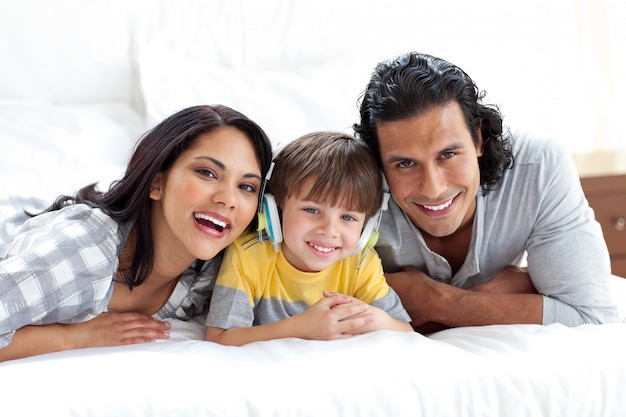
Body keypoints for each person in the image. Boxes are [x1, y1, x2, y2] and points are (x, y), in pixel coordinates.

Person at [353, 51, 618, 333]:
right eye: (405, 163)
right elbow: (316, 303)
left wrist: (436, 302)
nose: (433, 189)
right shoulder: (350, 185)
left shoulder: (537, 166)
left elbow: (593, 318)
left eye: (448, 154)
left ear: (478, 138)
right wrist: (504, 292)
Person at [0, 104, 273, 361]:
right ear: (157, 181)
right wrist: (72, 337)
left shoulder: (214, 272)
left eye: (247, 187)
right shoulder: (83, 254)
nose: (229, 199)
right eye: (207, 173)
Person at [205, 131, 412, 346]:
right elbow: (220, 337)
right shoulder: (248, 255)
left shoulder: (361, 265)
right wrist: (301, 328)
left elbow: (406, 331)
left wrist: (376, 319)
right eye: (312, 210)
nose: (329, 230)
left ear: (368, 226)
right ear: (274, 209)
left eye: (348, 217)